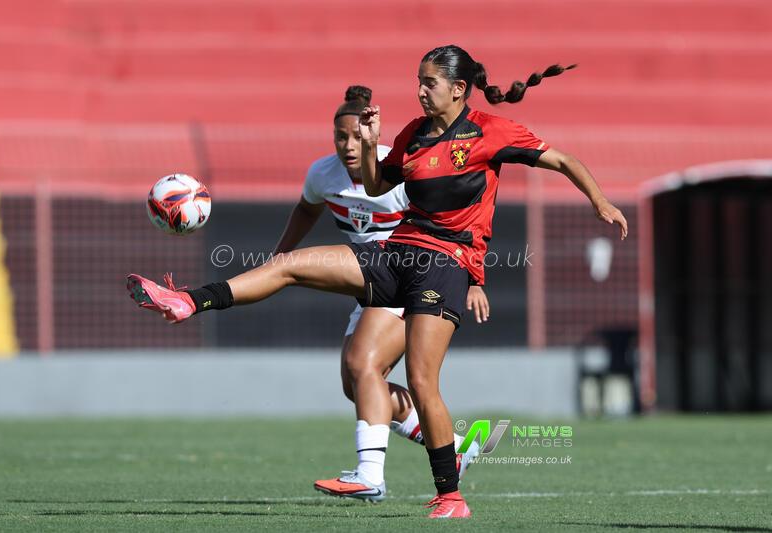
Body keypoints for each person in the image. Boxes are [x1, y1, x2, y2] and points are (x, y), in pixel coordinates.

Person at [127, 44, 628, 519]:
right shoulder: (413, 132)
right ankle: (188, 300)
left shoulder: (490, 132)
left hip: (446, 265)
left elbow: (561, 159)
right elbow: (374, 185)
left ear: (458, 88)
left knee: (420, 380)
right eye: (418, 82)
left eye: (430, 83)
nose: (420, 91)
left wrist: (599, 200)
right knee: (288, 266)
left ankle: (450, 496)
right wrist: (368, 145)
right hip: (396, 253)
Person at [272, 85, 486, 502]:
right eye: (341, 137)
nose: (349, 146)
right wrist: (279, 257)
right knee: (357, 384)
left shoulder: (397, 170)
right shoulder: (322, 175)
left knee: (362, 363)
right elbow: (306, 209)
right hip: (371, 279)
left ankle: (370, 475)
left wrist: (474, 278)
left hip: (415, 272)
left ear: (370, 134)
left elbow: (455, 218)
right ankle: (455, 448)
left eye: (357, 137)